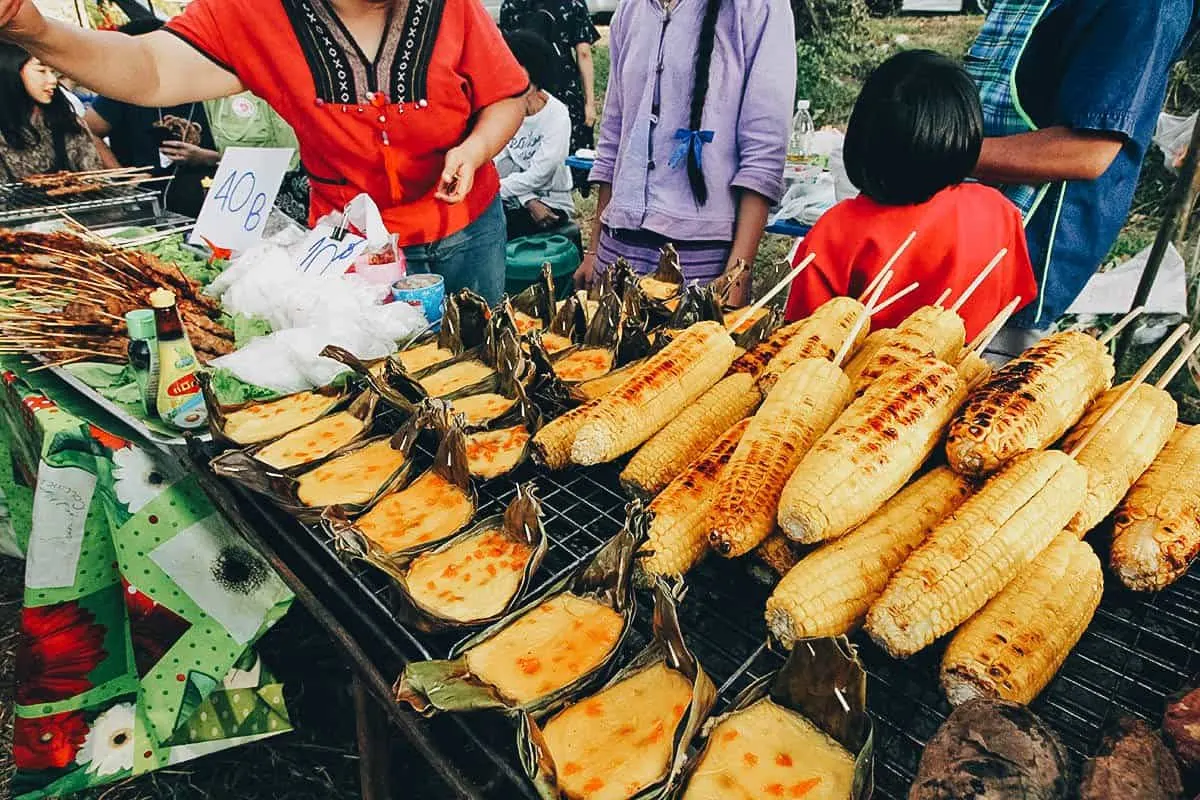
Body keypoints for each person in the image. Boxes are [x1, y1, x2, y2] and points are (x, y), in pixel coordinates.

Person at [0, 0, 529, 305]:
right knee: (381, 392)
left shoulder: (451, 6)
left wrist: (476, 148)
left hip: (469, 228)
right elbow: (150, 66)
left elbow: (504, 95)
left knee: (481, 367)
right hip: (352, 246)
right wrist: (33, 27)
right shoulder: (254, 11)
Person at [966, 0, 1196, 349]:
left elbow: (1087, 153)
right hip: (960, 228)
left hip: (1024, 256)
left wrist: (940, 153)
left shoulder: (1147, 7)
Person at [783, 50, 1037, 341]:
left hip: (863, 383)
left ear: (863, 137)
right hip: (966, 377)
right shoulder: (999, 211)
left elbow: (805, 337)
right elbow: (1012, 299)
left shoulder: (835, 231)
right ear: (964, 132)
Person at [577, 0, 796, 305]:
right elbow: (614, 136)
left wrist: (738, 275)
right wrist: (594, 249)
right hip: (617, 253)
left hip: (700, 264)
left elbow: (763, 152)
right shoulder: (631, 9)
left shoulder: (757, 8)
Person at [84, 18, 219, 216]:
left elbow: (240, 153)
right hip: (148, 208)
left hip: (207, 201)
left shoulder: (206, 87)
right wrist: (123, 174)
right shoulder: (123, 91)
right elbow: (87, 130)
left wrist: (204, 157)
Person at [495, 30, 574, 240]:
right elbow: (496, 165)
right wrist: (528, 200)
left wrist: (487, 191)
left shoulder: (556, 114)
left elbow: (542, 173)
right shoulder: (503, 112)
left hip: (553, 201)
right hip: (515, 198)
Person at [500, 0, 598, 154]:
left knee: (526, 151)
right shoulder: (573, 3)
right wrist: (590, 104)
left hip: (526, 88)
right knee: (573, 153)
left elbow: (505, 52)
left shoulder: (511, 4)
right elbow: (583, 53)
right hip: (565, 87)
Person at [0, 43, 102, 179]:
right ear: (11, 71)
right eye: (41, 71)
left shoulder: (65, 120)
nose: (53, 80)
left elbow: (94, 176)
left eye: (53, 72)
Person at [203, 91, 308, 223]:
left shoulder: (271, 87)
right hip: (234, 195)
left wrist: (211, 158)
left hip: (281, 192)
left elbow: (290, 157)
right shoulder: (208, 92)